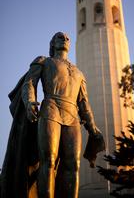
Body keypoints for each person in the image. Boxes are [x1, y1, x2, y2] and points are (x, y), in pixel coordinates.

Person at [1, 32, 105, 198]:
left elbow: (84, 103)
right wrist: (29, 103)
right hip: (51, 110)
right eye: (59, 37)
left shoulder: (79, 73)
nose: (64, 39)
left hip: (72, 116)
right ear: (52, 43)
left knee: (74, 164)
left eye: (67, 38)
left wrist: (92, 126)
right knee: (48, 160)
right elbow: (29, 83)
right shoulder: (44, 61)